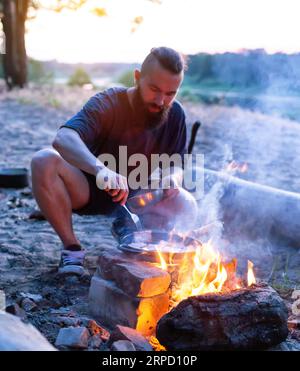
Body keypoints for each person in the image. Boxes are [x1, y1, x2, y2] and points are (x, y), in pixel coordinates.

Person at [31, 47, 198, 277]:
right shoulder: (108, 102)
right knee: (43, 161)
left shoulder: (175, 113)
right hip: (89, 190)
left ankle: (146, 244)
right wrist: (100, 169)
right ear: (137, 77)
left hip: (138, 201)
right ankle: (72, 248)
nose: (161, 101)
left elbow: (177, 163)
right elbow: (63, 138)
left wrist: (172, 178)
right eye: (154, 89)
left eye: (171, 93)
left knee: (185, 203)